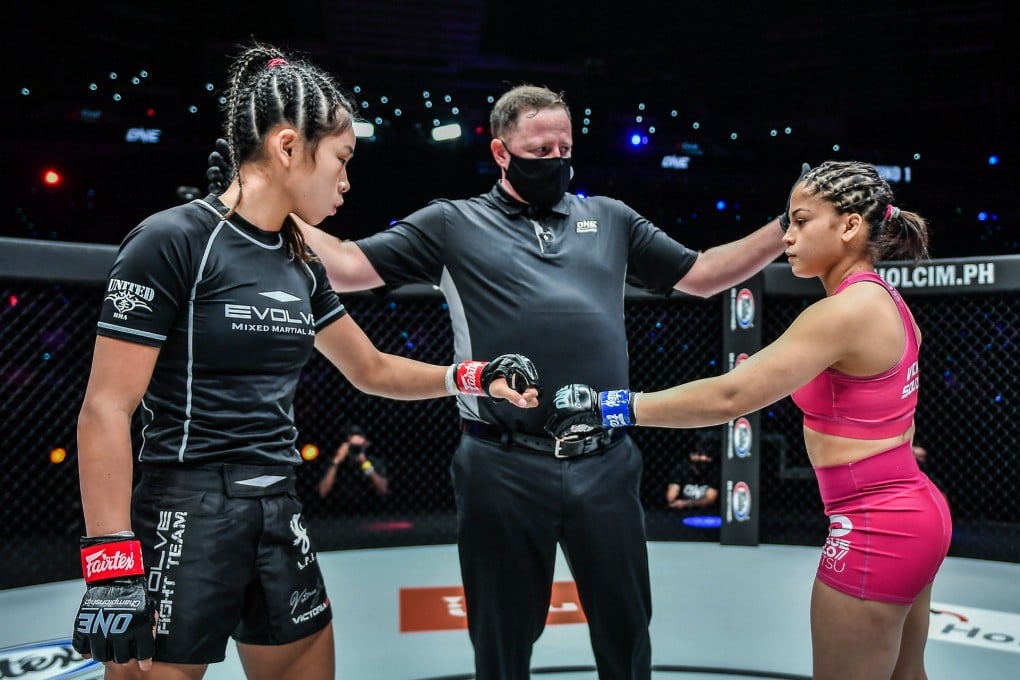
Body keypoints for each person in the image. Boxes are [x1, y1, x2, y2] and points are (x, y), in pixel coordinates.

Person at [209, 84, 790, 679]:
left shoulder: (610, 219)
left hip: (605, 458)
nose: (556, 159)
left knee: (626, 633)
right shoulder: (453, 223)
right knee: (502, 642)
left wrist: (785, 225)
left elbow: (704, 274)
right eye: (541, 150)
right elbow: (349, 265)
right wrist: (256, 199)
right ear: (500, 152)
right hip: (501, 464)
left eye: (565, 148)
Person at [72, 43, 539, 680]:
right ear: (289, 147)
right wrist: (110, 566)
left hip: (278, 509)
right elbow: (106, 407)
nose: (347, 181)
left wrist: (475, 377)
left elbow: (372, 369)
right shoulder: (171, 240)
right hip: (185, 513)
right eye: (342, 159)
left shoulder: (299, 261)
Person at [546, 160, 953, 679]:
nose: (788, 236)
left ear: (850, 226)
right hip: (913, 510)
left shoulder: (844, 312)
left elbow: (730, 396)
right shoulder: (887, 301)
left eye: (801, 221)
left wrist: (611, 407)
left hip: (879, 523)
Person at [317, 425, 389, 498]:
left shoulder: (374, 461)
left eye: (358, 447)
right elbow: (323, 492)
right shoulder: (335, 461)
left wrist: (365, 464)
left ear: (366, 444)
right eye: (352, 447)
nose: (354, 450)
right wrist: (336, 462)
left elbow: (383, 489)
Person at [666, 447, 719, 512]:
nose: (704, 458)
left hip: (708, 513)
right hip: (682, 513)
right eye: (700, 454)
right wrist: (674, 493)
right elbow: (671, 497)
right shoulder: (681, 469)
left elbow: (710, 499)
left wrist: (686, 503)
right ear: (692, 455)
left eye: (708, 455)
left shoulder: (714, 472)